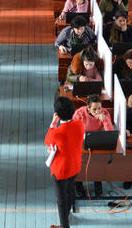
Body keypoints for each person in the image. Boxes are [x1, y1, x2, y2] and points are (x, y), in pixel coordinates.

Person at [45, 96, 84, 228]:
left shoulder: (56, 133)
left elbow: (47, 141)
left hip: (61, 170)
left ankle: (64, 225)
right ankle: (67, 215)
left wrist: (53, 123)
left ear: (57, 114)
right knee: (70, 191)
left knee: (61, 200)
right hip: (74, 166)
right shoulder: (79, 124)